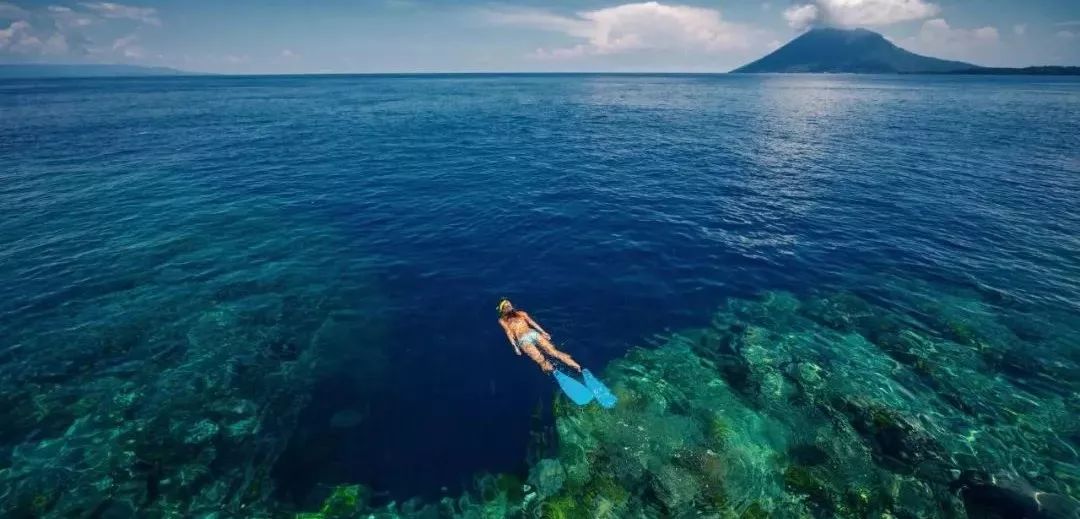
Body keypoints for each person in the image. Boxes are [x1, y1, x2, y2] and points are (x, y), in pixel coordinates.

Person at [497, 298, 581, 373]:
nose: (509, 306)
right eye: (507, 306)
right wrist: (543, 332)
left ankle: (561, 369)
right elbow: (529, 324)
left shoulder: (511, 317)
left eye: (508, 305)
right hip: (529, 336)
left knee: (545, 356)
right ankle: (571, 366)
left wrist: (515, 347)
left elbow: (512, 331)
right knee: (548, 355)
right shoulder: (512, 317)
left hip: (527, 338)